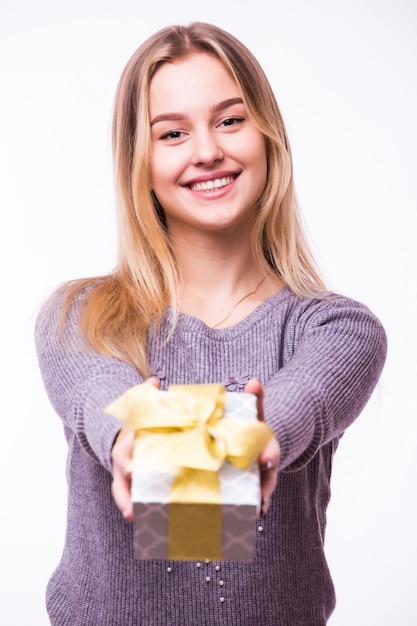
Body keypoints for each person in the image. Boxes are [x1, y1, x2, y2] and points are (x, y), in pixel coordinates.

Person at [35, 22, 387, 626]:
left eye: (230, 120)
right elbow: (103, 397)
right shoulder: (80, 316)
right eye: (172, 133)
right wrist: (132, 440)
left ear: (268, 135)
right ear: (138, 161)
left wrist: (248, 442)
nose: (206, 152)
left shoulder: (339, 329)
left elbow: (295, 404)